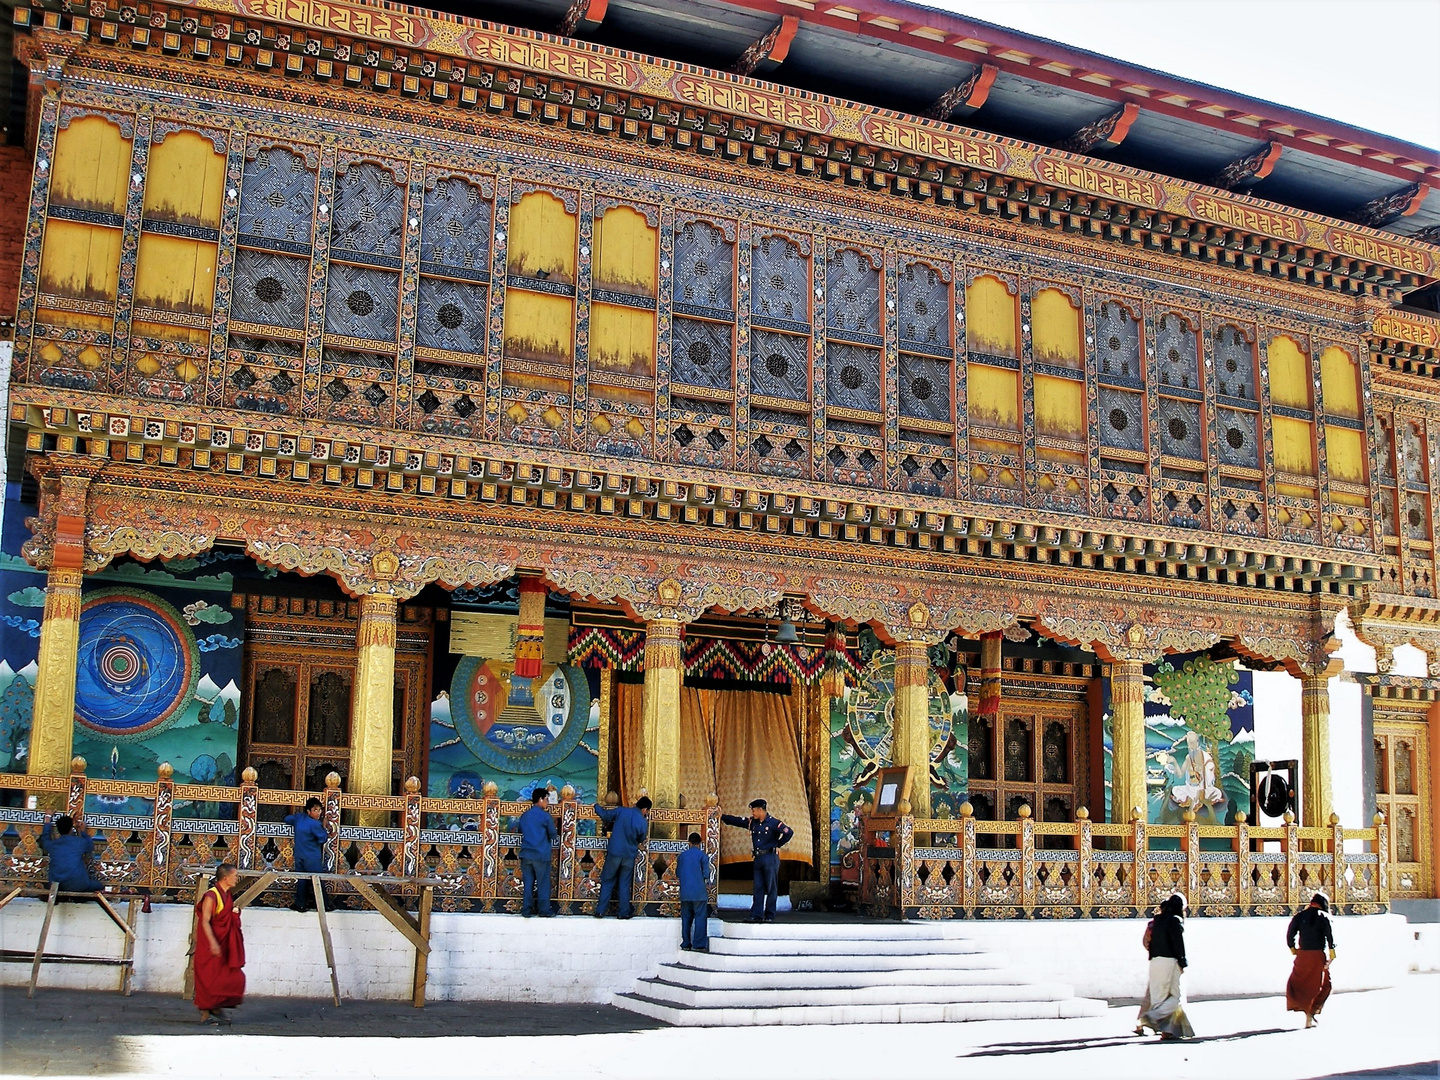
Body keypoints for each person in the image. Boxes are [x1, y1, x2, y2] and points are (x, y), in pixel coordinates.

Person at [721, 798, 793, 923]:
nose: (752, 813)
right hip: (758, 858)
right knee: (758, 887)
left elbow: (789, 832)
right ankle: (756, 914)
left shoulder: (773, 823)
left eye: (754, 810)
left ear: (761, 810)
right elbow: (737, 821)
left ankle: (770, 915)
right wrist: (722, 816)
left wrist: (778, 845)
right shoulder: (753, 823)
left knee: (771, 887)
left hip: (770, 857)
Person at [1136, 893, 1194, 1040]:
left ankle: (1166, 1031)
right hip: (1170, 961)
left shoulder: (1156, 921)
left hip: (1155, 961)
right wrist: (1182, 961)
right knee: (1177, 997)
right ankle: (1151, 1017)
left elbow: (1149, 941)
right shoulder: (1176, 921)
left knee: (1158, 998)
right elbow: (1177, 943)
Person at [193, 863, 246, 1026]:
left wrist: (233, 913)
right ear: (225, 878)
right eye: (235, 876)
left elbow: (224, 917)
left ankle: (216, 1008)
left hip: (224, 944)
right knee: (208, 979)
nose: (237, 878)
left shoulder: (226, 894)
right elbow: (205, 922)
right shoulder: (211, 896)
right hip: (210, 944)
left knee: (232, 977)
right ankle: (205, 1013)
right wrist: (213, 943)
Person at [592, 796, 651, 919]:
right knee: (624, 883)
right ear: (645, 809)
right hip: (629, 855)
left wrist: (596, 806)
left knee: (608, 881)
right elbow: (641, 838)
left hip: (615, 852)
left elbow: (606, 815)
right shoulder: (642, 821)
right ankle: (623, 912)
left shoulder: (621, 811)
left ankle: (600, 911)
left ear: (636, 803)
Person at [1287, 891, 1337, 1028]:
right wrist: (1332, 955)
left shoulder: (1300, 916)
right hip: (1317, 956)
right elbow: (1330, 937)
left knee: (1302, 984)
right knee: (1324, 985)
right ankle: (1310, 1014)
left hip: (1303, 955)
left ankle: (1307, 1013)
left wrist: (1294, 950)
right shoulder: (1324, 917)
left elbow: (1290, 934)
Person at [285, 797, 330, 912]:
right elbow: (322, 839)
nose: (318, 813)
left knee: (302, 880)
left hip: (299, 855)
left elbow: (287, 819)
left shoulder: (299, 818)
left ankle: (300, 904)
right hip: (312, 857)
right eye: (315, 810)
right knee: (317, 881)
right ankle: (324, 905)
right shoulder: (315, 824)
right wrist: (324, 827)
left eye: (319, 810)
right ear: (308, 811)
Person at [518, 788, 558, 917]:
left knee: (528, 883)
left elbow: (520, 830)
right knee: (543, 883)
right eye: (546, 800)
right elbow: (553, 834)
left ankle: (526, 910)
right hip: (541, 854)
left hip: (526, 854)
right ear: (540, 799)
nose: (547, 803)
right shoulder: (545, 816)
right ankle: (544, 910)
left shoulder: (525, 815)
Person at [40, 814, 106, 893]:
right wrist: (82, 831)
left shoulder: (53, 844)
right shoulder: (79, 842)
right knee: (99, 885)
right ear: (71, 829)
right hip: (78, 884)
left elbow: (45, 839)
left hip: (57, 884)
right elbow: (89, 847)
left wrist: (47, 819)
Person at [676, 832, 710, 952]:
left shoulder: (682, 856)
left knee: (686, 917)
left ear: (689, 843)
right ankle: (699, 943)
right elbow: (706, 874)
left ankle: (686, 942)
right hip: (699, 892)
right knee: (700, 917)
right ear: (700, 843)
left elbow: (678, 873)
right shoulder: (702, 856)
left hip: (685, 892)